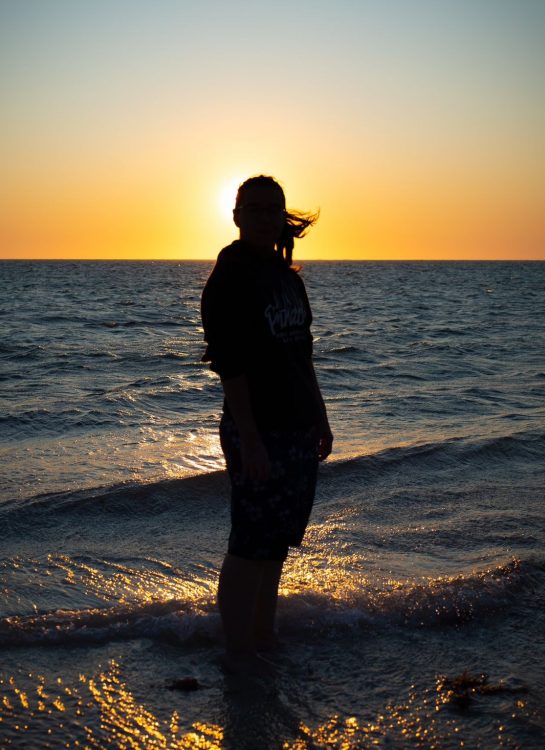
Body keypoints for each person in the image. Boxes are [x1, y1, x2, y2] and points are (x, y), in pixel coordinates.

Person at [201, 175, 332, 675]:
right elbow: (229, 365)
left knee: (276, 543)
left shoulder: (287, 278)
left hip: (298, 425)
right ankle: (237, 653)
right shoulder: (230, 275)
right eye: (252, 209)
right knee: (250, 542)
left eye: (272, 209)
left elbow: (302, 352)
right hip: (258, 430)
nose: (262, 217)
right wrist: (250, 439)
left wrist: (320, 415)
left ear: (282, 217)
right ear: (236, 216)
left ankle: (264, 638)